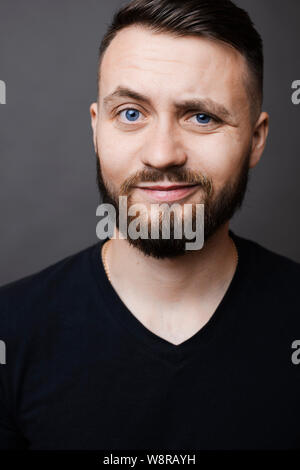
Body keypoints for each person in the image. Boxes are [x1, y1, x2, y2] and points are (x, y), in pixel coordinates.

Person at [0, 0, 300, 451]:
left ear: (255, 140)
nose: (161, 155)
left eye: (202, 117)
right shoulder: (10, 331)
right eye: (131, 113)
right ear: (96, 130)